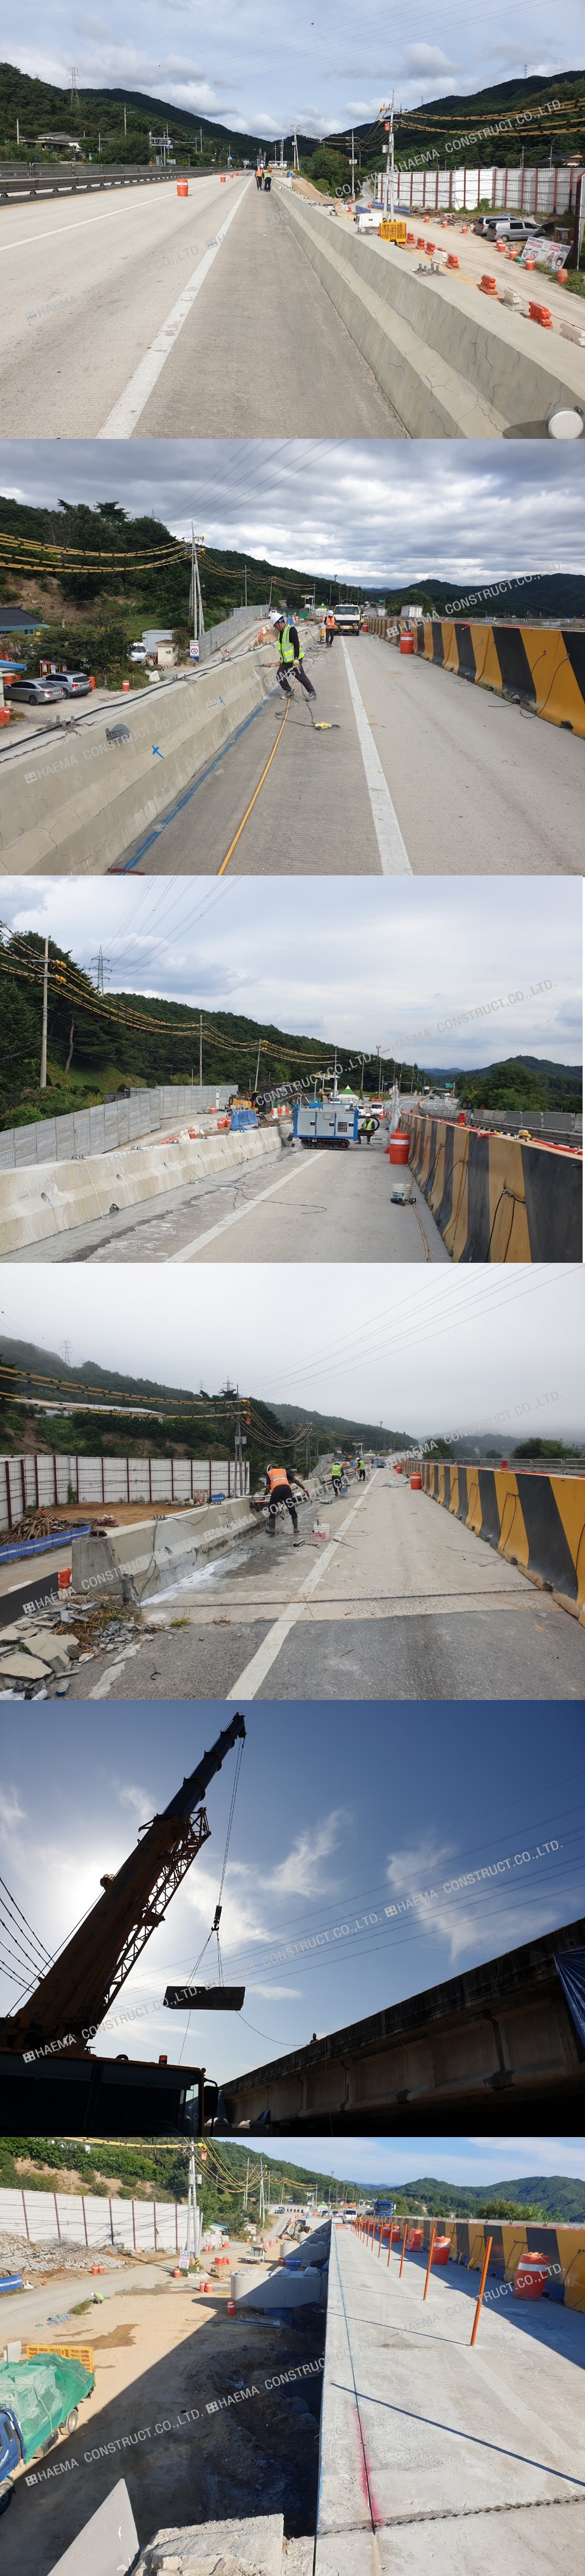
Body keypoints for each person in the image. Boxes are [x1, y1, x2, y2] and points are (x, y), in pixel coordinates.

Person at [273, 614, 316, 703]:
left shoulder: (291, 630)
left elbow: (296, 644)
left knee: (300, 676)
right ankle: (289, 692)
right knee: (280, 675)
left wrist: (296, 659)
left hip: (295, 660)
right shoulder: (281, 633)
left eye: (275, 626)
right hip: (286, 661)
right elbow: (283, 648)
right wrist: (281, 659)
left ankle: (312, 692)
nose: (275, 628)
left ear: (279, 623)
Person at [262, 1464, 309, 1536]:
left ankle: (272, 1529)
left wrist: (263, 1497)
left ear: (270, 1469)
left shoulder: (269, 1473)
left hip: (277, 1490)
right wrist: (304, 1489)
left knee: (272, 1508)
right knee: (291, 1508)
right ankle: (296, 1529)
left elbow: (268, 1488)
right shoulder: (283, 1471)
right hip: (287, 1489)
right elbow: (295, 1481)